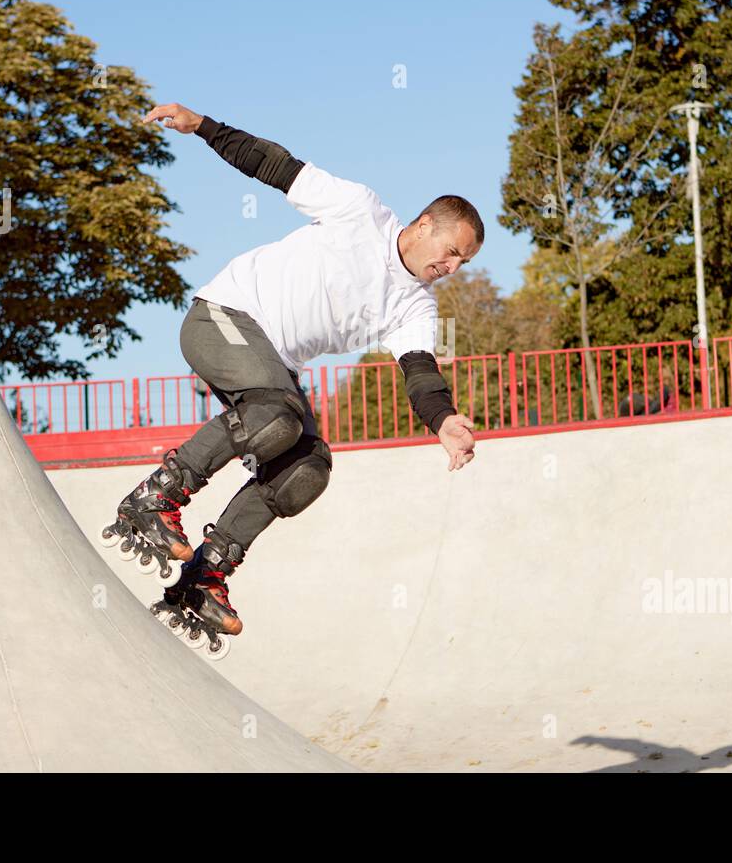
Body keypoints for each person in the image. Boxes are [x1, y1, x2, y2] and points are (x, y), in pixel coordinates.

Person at [106, 102, 482, 640]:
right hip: (223, 316)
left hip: (268, 367)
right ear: (424, 226)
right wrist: (204, 127)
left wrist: (442, 421)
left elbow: (419, 370)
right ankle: (156, 495)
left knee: (306, 467)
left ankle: (204, 574)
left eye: (462, 264)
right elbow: (275, 165)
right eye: (450, 253)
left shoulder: (415, 307)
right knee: (275, 416)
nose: (451, 269)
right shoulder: (360, 211)